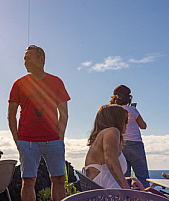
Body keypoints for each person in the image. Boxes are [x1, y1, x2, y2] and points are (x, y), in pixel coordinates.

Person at [8, 45, 70, 201]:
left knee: (59, 180)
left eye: (28, 58)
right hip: (27, 141)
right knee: (28, 181)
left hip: (53, 140)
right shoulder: (19, 84)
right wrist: (18, 140)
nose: (25, 61)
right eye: (24, 58)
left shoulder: (56, 82)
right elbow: (11, 115)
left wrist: (60, 136)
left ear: (40, 59)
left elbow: (64, 113)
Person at [83, 104, 145, 190]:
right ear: (118, 120)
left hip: (103, 192)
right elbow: (110, 160)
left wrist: (130, 179)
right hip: (107, 195)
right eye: (125, 120)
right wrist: (127, 190)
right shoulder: (112, 131)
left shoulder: (104, 134)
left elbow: (107, 177)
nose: (126, 124)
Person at [110, 85, 150, 188]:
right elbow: (143, 126)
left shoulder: (113, 111)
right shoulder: (132, 110)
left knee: (124, 178)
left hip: (120, 145)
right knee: (143, 178)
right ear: (128, 98)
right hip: (135, 145)